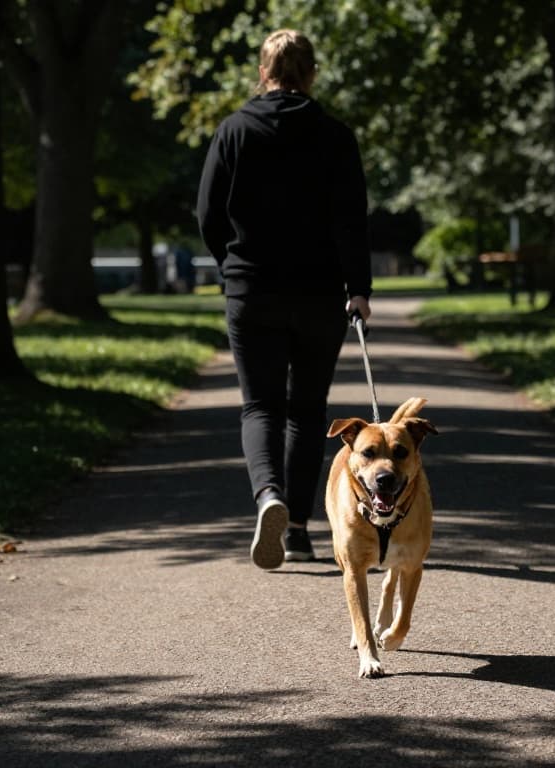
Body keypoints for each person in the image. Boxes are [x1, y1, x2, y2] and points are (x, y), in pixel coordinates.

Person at [197, 29, 372, 570]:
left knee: (260, 405)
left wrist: (231, 267)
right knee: (307, 410)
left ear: (263, 70)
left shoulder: (233, 132)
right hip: (320, 294)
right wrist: (359, 288)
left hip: (253, 289)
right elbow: (351, 220)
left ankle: (267, 495)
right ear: (311, 73)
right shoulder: (335, 136)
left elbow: (207, 213)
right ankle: (296, 527)